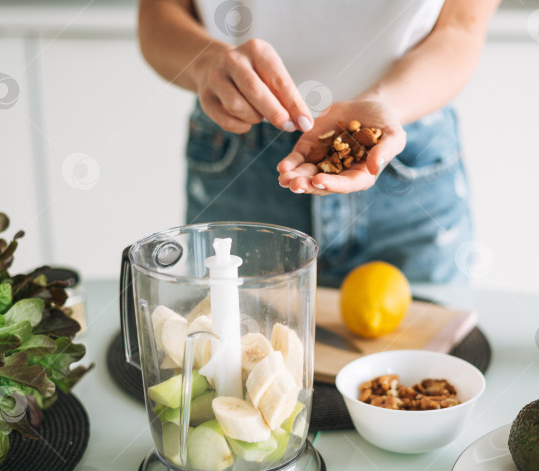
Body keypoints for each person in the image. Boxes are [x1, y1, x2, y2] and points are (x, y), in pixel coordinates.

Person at [138, 0, 499, 286]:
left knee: (427, 359)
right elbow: (158, 14)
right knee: (232, 358)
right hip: (238, 152)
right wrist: (208, 63)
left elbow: (461, 26)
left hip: (409, 150)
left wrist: (386, 103)